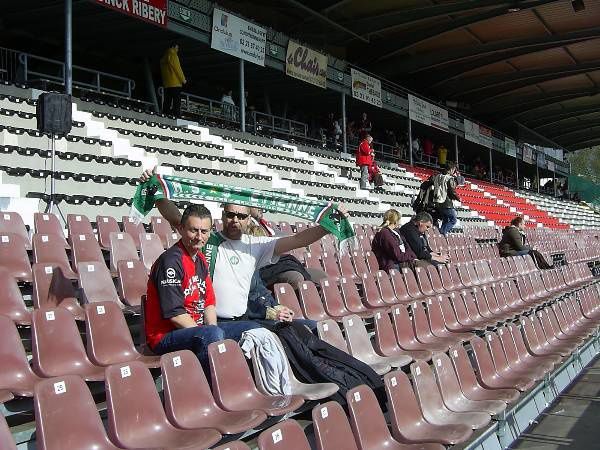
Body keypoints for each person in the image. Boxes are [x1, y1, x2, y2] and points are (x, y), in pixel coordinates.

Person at [141, 167, 349, 322]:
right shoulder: (206, 238)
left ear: (249, 220)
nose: (235, 220)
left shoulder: (257, 244)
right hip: (212, 320)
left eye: (241, 216)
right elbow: (177, 219)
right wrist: (156, 193)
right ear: (222, 215)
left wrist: (329, 225)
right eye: (230, 214)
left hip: (244, 318)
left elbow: (298, 240)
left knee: (308, 327)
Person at [144, 204, 260, 375]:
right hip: (165, 337)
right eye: (194, 230)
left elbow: (209, 303)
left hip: (198, 330)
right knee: (211, 335)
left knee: (254, 328)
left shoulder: (200, 259)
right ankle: (216, 388)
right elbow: (176, 315)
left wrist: (213, 329)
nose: (199, 237)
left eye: (204, 231)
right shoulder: (170, 262)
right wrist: (210, 332)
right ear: (181, 229)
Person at [430, 162, 461, 235]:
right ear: (452, 169)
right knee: (453, 220)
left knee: (446, 220)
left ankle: (442, 234)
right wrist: (457, 198)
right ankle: (442, 232)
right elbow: (451, 191)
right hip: (446, 203)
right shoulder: (449, 178)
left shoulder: (437, 176)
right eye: (454, 170)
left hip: (437, 202)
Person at [160, 43, 186, 117]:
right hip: (175, 82)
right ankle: (176, 114)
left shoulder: (163, 58)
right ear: (174, 47)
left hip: (167, 83)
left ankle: (165, 113)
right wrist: (183, 79)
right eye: (177, 48)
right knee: (176, 101)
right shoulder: (173, 55)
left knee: (167, 100)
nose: (177, 50)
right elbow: (177, 68)